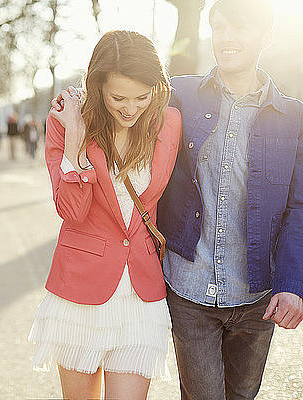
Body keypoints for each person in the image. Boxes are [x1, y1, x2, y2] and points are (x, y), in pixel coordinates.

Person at [50, 1, 303, 398]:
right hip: (182, 287)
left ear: (267, 38)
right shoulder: (181, 96)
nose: (227, 38)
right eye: (219, 28)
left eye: (240, 29)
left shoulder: (289, 117)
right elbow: (74, 205)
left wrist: (293, 283)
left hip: (250, 292)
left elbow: (297, 208)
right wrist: (75, 127)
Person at [28, 30, 182, 400]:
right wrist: (77, 141)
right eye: (118, 98)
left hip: (141, 294)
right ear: (98, 87)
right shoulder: (66, 120)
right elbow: (71, 210)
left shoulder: (169, 122)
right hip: (80, 289)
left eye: (141, 97)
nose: (130, 108)